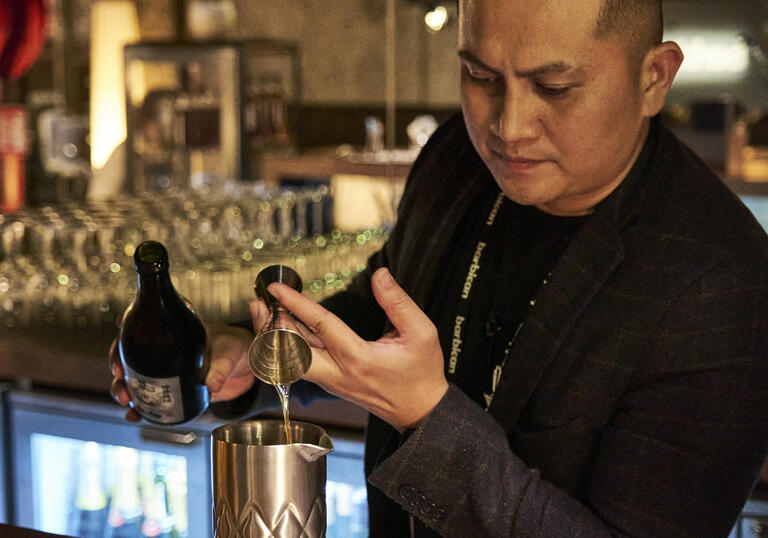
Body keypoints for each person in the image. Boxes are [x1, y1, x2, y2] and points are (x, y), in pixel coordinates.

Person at [110, 0, 768, 536]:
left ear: (655, 76)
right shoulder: (461, 155)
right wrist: (253, 356)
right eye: (481, 77)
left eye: (555, 86)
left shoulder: (720, 284)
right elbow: (384, 309)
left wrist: (428, 417)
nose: (508, 125)